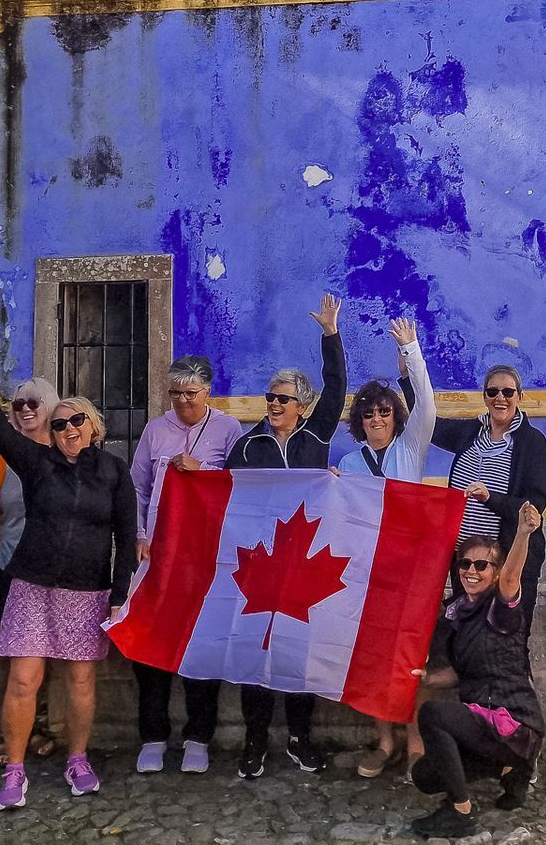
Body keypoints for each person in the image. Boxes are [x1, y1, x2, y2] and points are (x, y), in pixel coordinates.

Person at [0, 343, 136, 812]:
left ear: (93, 426)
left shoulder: (114, 472)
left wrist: (120, 595)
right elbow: (1, 430)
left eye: (74, 421)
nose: (66, 430)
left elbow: (126, 535)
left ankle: (77, 760)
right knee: (24, 679)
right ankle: (15, 770)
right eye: (58, 424)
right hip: (33, 587)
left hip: (87, 591)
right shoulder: (38, 465)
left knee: (81, 681)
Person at [226, 292, 349, 778]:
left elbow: (337, 387)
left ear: (301, 406)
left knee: (299, 655)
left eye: (284, 399)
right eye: (270, 398)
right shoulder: (247, 444)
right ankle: (255, 741)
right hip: (257, 566)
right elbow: (225, 500)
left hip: (303, 562)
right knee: (256, 656)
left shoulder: (316, 437)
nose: (274, 404)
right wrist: (193, 475)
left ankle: (300, 737)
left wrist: (330, 334)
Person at [129, 354, 245, 775]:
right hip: (159, 555)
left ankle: (198, 736)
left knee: (203, 645)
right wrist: (139, 536)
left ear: (208, 392)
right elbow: (138, 487)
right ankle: (153, 735)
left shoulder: (230, 430)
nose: (182, 402)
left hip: (206, 558)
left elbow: (239, 488)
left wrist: (204, 470)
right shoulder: (156, 430)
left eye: (190, 394)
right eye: (175, 394)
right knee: (151, 645)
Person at [408, 502, 546, 840]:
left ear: (496, 572)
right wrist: (427, 677)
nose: (472, 571)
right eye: (466, 564)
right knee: (425, 775)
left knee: (433, 715)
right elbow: (459, 674)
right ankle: (511, 770)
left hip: (512, 722)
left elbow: (514, 575)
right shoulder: (459, 613)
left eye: (482, 565)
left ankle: (461, 811)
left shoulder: (502, 608)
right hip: (481, 721)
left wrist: (523, 533)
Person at [337, 318, 438, 777]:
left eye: (384, 412)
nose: (376, 420)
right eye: (368, 414)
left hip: (411, 571)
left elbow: (428, 406)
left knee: (411, 657)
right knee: (371, 656)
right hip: (364, 574)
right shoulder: (347, 462)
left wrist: (411, 350)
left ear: (396, 417)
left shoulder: (410, 449)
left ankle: (415, 740)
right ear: (358, 421)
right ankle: (383, 740)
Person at [416, 360, 546, 638]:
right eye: (493, 392)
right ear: (485, 396)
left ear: (519, 397)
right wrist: (409, 370)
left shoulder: (532, 442)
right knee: (467, 636)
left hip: (506, 561)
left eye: (507, 392)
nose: (500, 398)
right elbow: (426, 421)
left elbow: (534, 506)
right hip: (465, 561)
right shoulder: (470, 432)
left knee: (509, 639)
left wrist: (491, 498)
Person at [0, 375, 62, 766]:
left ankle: (42, 726)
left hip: (51, 568)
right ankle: (2, 732)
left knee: (46, 652)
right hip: (7, 564)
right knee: (4, 654)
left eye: (34, 403)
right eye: (18, 404)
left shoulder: (65, 448)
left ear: (50, 407)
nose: (26, 410)